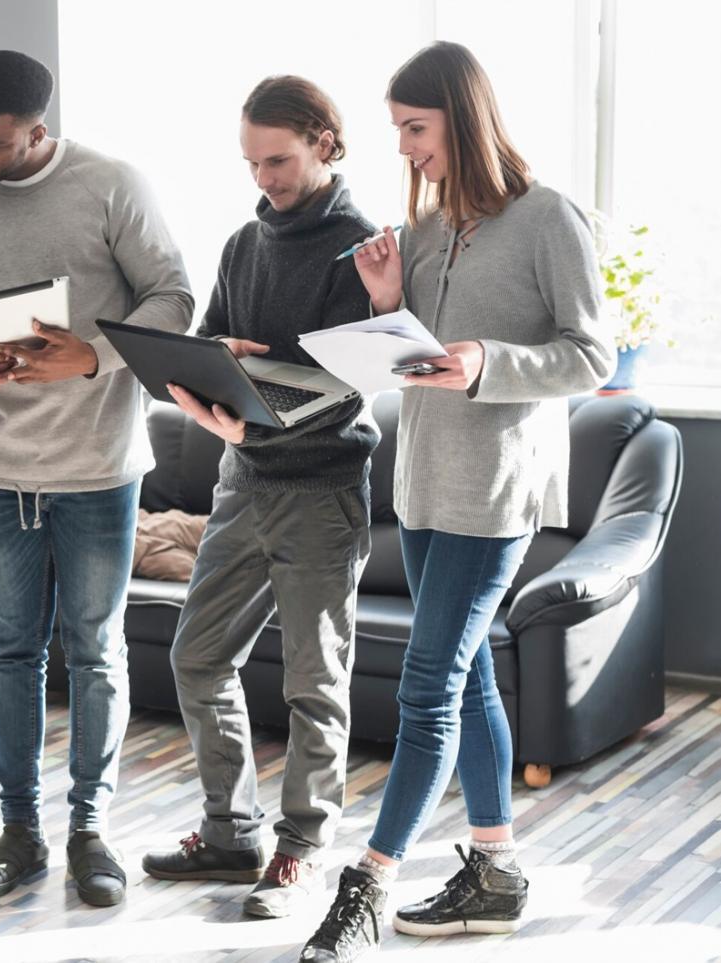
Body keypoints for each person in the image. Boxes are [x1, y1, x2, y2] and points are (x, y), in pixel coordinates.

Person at [299, 42, 615, 962]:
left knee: (428, 683)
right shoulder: (429, 227)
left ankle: (368, 884)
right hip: (425, 477)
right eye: (396, 129)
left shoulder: (548, 217)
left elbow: (590, 355)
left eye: (414, 128)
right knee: (466, 675)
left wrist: (487, 361)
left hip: (494, 489)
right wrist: (390, 303)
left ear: (461, 119)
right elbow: (416, 358)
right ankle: (494, 869)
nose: (401, 148)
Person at [0, 49, 194, 907]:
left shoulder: (111, 184)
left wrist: (93, 353)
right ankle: (18, 830)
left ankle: (90, 829)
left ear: (37, 133)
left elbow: (174, 298)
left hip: (98, 469)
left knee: (94, 652)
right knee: (10, 651)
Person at [140, 75, 379, 920]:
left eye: (277, 160)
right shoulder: (244, 241)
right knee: (197, 656)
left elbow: (352, 384)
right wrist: (207, 363)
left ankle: (302, 850)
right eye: (251, 162)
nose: (264, 178)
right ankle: (230, 828)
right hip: (241, 482)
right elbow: (210, 338)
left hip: (319, 490)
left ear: (324, 142)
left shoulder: (363, 247)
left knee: (315, 685)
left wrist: (257, 404)